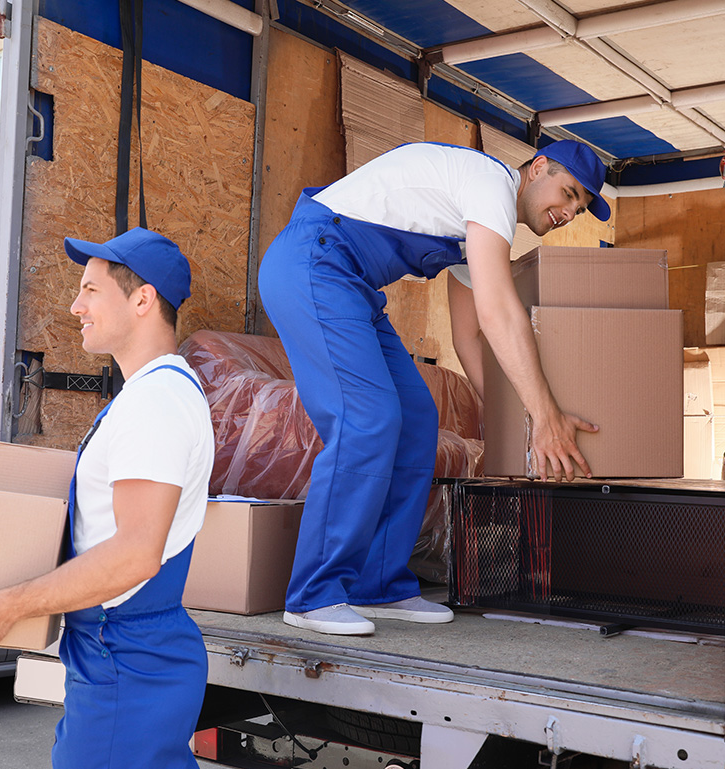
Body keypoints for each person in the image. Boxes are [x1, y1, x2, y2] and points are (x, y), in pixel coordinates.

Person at [258, 140, 609, 636]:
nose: (570, 212)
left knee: (418, 418)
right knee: (369, 419)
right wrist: (547, 419)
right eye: (569, 193)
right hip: (313, 263)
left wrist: (517, 422)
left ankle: (377, 584)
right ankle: (314, 593)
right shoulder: (490, 185)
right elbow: (499, 312)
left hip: (351, 285)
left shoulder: (480, 227)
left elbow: (469, 336)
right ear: (538, 169)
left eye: (581, 207)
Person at [0, 227, 214, 769]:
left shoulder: (154, 404)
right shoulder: (156, 395)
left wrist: (6, 606)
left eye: (90, 290)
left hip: (124, 654)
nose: (74, 305)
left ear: (142, 299)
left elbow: (135, 555)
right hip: (125, 651)